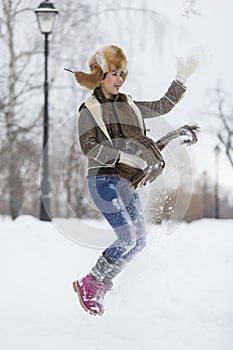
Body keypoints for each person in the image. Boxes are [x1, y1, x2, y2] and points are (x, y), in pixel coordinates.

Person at [71, 45, 199, 316]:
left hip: (126, 183)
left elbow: (163, 105)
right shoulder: (89, 110)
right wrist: (122, 154)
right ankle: (91, 282)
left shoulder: (131, 105)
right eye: (113, 73)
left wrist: (181, 79)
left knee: (138, 241)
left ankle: (102, 282)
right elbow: (89, 148)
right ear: (101, 75)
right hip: (103, 181)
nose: (119, 79)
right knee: (126, 236)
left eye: (122, 74)